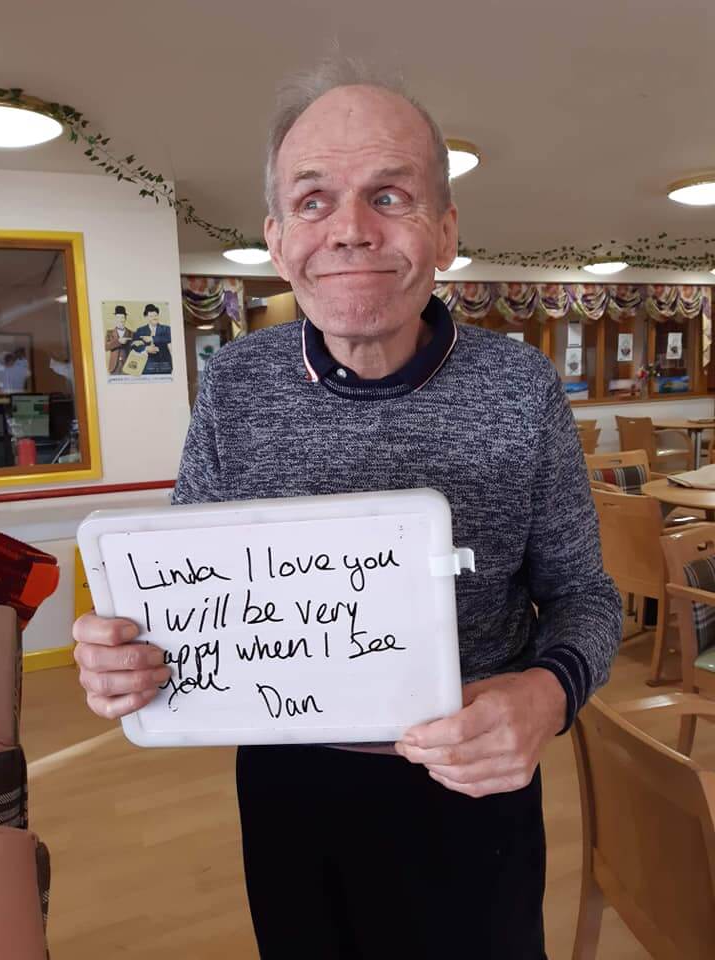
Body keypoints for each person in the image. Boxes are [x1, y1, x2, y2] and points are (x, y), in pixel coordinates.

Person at [72, 59, 622, 959]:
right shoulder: (235, 383)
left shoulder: (521, 387)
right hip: (287, 787)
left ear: (446, 231)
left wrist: (547, 692)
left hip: (472, 791)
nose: (352, 229)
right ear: (279, 238)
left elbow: (586, 595)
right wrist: (127, 654)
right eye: (314, 200)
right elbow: (182, 601)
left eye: (391, 196)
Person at [131, 303, 172, 375]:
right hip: (147, 367)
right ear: (146, 317)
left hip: (164, 366)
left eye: (156, 315)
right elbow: (134, 346)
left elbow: (170, 338)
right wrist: (146, 348)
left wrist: (152, 338)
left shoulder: (166, 329)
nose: (154, 318)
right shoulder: (140, 330)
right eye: (151, 316)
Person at [105, 304, 134, 375]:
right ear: (115, 319)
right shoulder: (109, 333)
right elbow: (106, 347)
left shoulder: (131, 333)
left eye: (122, 317)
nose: (120, 320)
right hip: (114, 367)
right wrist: (118, 341)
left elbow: (135, 349)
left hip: (127, 367)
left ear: (125, 319)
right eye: (118, 317)